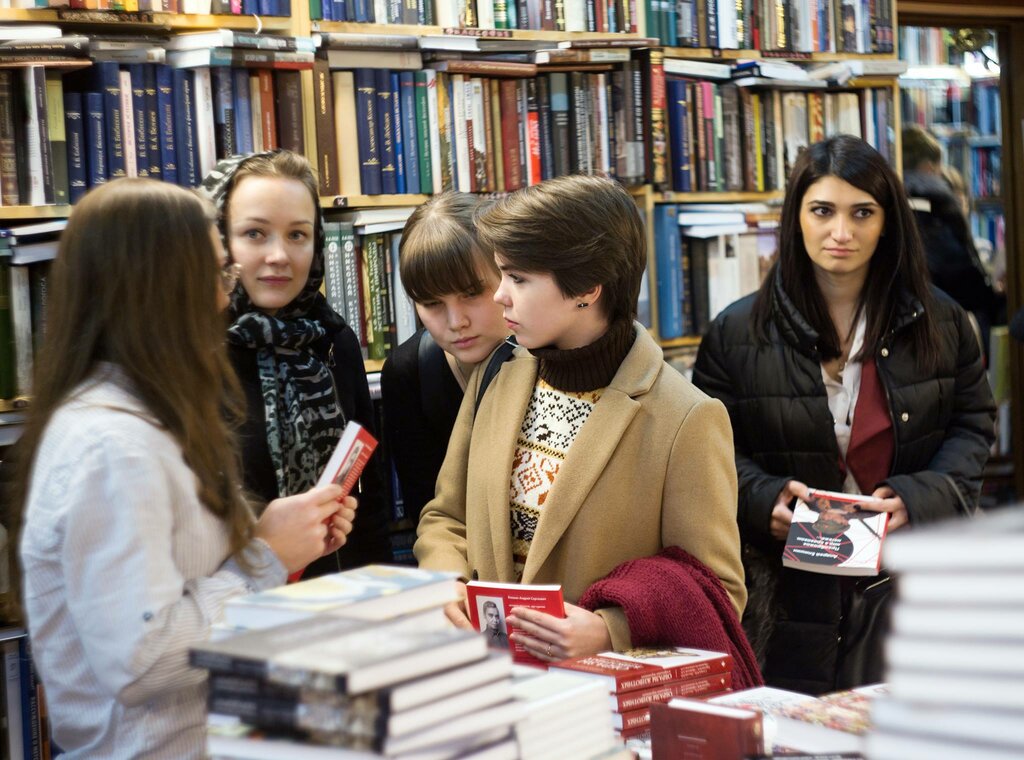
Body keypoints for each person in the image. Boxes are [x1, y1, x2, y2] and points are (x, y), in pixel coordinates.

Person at [13, 178, 357, 758]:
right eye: (217, 275)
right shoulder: (111, 445)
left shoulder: (148, 417)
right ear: (159, 290)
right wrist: (267, 557)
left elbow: (186, 575)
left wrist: (274, 536)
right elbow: (143, 661)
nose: (226, 299)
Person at [692, 135, 996, 695]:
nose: (841, 232)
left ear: (887, 223)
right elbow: (709, 451)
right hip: (785, 595)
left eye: (862, 213)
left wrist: (920, 497)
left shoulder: (942, 321)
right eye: (822, 211)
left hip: (910, 584)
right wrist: (762, 498)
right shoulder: (735, 333)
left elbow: (972, 425)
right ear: (796, 217)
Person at [415, 175, 746, 663]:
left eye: (518, 278)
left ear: (587, 289)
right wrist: (448, 582)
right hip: (489, 675)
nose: (500, 295)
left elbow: (718, 593)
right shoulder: (498, 371)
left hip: (597, 689)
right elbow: (447, 517)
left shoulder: (687, 418)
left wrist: (611, 630)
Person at [199, 150, 391, 576]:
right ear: (216, 239)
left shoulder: (333, 340)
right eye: (254, 233)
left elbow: (368, 498)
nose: (279, 255)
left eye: (297, 235)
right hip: (231, 600)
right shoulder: (188, 353)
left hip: (340, 596)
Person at [381, 192, 509, 518]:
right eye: (432, 303)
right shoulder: (408, 372)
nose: (456, 322)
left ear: (507, 276)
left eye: (471, 293)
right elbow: (426, 511)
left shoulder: (558, 351)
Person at [901, 125, 1004, 353]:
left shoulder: (892, 208)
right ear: (929, 167)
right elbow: (960, 278)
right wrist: (994, 297)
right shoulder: (936, 211)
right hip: (940, 330)